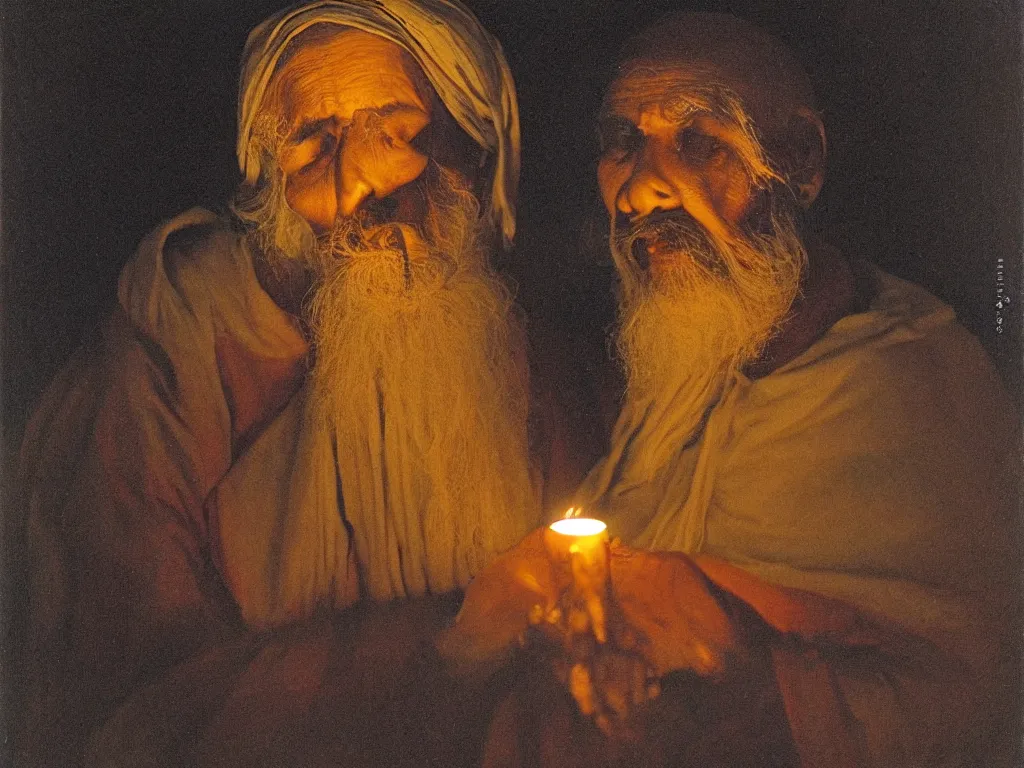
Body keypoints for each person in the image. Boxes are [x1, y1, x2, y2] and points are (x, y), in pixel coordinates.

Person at [14, 1, 589, 764]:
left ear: (475, 146)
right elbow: (134, 685)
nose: (356, 185)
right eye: (314, 145)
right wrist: (454, 639)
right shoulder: (191, 332)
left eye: (396, 130)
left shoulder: (534, 364)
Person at [449, 12, 1020, 767]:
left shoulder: (915, 394)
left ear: (803, 163)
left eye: (698, 142)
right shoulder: (687, 377)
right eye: (623, 141)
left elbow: (961, 701)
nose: (641, 190)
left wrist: (717, 643)